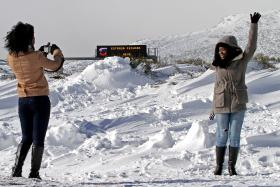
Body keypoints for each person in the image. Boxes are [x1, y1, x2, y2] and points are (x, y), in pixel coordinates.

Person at [5, 22, 64, 179]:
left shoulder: (11, 57)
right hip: (39, 101)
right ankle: (34, 173)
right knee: (38, 139)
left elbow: (28, 61)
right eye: (33, 36)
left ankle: (16, 171)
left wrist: (38, 53)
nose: (35, 38)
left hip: (23, 101)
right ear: (29, 38)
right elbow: (56, 66)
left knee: (26, 138)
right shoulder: (37, 57)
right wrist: (55, 51)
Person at [209, 12, 261, 176]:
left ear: (231, 49)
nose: (221, 52)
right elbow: (216, 87)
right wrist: (212, 108)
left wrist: (253, 25)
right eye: (219, 50)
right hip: (221, 104)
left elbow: (251, 47)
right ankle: (219, 166)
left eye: (224, 50)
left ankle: (232, 167)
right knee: (221, 135)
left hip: (238, 103)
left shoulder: (241, 61)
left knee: (235, 136)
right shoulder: (217, 65)